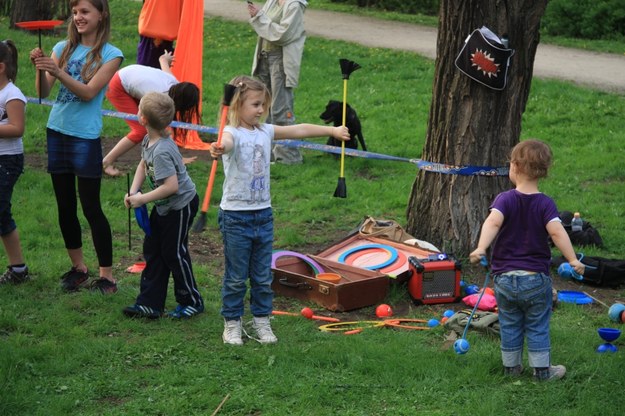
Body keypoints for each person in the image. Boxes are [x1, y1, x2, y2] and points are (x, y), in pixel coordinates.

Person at [210, 76, 349, 345]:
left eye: (263, 104)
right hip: (235, 217)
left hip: (263, 215)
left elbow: (297, 130)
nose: (261, 110)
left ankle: (261, 320)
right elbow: (224, 144)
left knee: (263, 276)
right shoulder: (231, 133)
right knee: (237, 277)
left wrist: (330, 131)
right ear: (237, 105)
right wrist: (217, 149)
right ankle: (232, 323)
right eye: (255, 104)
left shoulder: (265, 131)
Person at [469, 139, 585, 382]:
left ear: (514, 166)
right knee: (537, 325)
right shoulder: (545, 203)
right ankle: (542, 372)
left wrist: (481, 247)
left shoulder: (504, 199)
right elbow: (557, 232)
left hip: (505, 281)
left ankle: (511, 368)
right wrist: (572, 259)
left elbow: (492, 222)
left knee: (510, 323)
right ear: (544, 171)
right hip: (535, 280)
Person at [29, 0, 123, 294]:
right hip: (57, 131)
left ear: (101, 15)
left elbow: (88, 92)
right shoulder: (62, 48)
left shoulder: (111, 54)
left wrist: (57, 73)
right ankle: (79, 268)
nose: (78, 17)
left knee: (91, 206)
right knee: (65, 205)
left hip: (84, 137)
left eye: (85, 12)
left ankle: (107, 276)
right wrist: (41, 67)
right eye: (75, 13)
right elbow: (43, 93)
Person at [123, 92, 203, 319]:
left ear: (143, 119)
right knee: (154, 249)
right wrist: (134, 190)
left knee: (174, 253)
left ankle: (192, 301)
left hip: (180, 206)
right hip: (165, 206)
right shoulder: (150, 140)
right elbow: (142, 164)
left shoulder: (163, 150)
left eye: (139, 109)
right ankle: (150, 303)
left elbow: (171, 187)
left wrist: (143, 198)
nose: (137, 111)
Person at [102, 50, 201, 176]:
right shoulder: (159, 96)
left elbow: (163, 62)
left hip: (130, 76)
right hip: (118, 85)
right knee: (140, 130)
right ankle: (106, 162)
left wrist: (165, 58)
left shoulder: (174, 85)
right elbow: (145, 110)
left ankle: (171, 159)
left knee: (157, 127)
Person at [248, 0, 308, 164]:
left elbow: (283, 35)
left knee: (281, 108)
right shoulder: (273, 0)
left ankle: (289, 157)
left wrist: (259, 17)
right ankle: (267, 153)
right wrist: (257, 15)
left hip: (281, 60)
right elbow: (265, 29)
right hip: (264, 57)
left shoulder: (295, 5)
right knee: (263, 107)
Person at [0, 40, 29, 285]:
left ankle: (18, 269)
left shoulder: (12, 94)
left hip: (7, 162)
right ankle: (18, 268)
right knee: (2, 215)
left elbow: (17, 128)